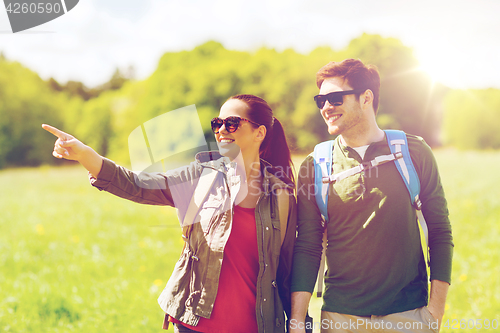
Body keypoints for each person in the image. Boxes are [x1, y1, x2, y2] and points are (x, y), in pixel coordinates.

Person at [42, 94, 297, 333]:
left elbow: (286, 272)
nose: (220, 130)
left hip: (256, 326)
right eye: (217, 123)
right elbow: (136, 184)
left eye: (231, 123)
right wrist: (86, 155)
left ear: (259, 132)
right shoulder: (200, 176)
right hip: (195, 324)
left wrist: (297, 323)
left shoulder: (282, 196)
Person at [290, 59, 453, 333]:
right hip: (340, 318)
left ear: (366, 98)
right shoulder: (314, 165)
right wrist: (297, 321)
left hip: (408, 315)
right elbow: (308, 244)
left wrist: (434, 313)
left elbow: (440, 231)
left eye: (335, 98)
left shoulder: (414, 152)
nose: (326, 107)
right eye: (321, 100)